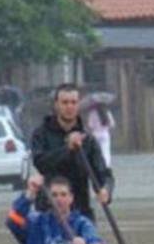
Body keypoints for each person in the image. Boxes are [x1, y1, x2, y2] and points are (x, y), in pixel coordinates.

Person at [31, 82, 113, 220]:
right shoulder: (41, 134)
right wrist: (67, 149)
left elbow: (103, 173)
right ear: (56, 104)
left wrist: (106, 189)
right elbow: (41, 163)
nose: (69, 107)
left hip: (80, 211)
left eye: (73, 102)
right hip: (48, 212)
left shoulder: (88, 139)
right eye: (65, 102)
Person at [86, 101, 116, 168]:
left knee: (96, 151)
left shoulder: (92, 113)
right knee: (105, 150)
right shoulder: (107, 112)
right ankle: (106, 165)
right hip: (105, 134)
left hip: (95, 134)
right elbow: (112, 124)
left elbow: (90, 125)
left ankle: (96, 165)